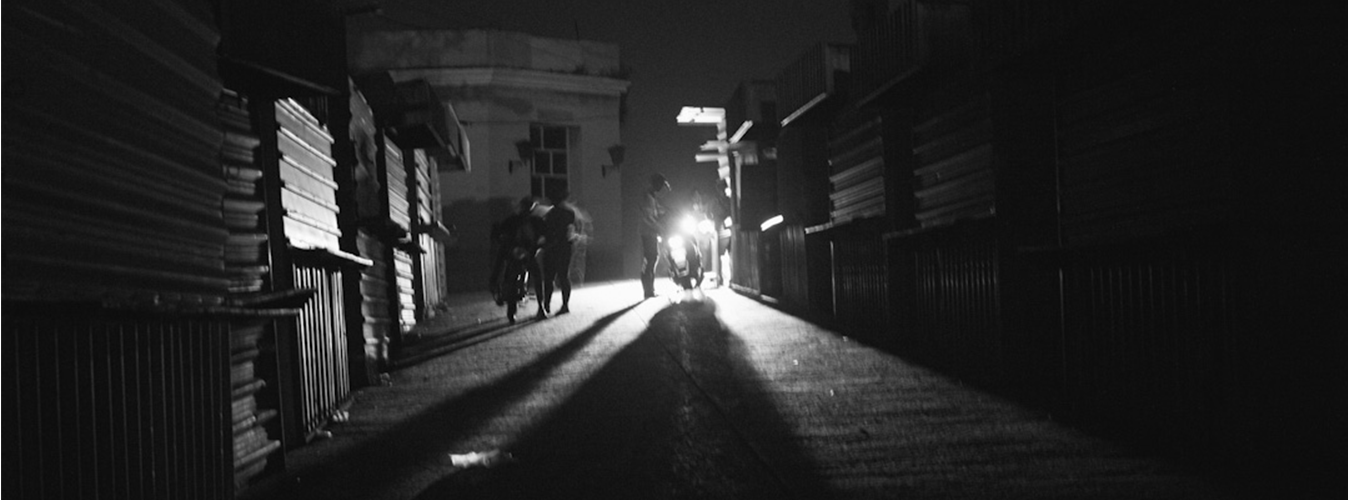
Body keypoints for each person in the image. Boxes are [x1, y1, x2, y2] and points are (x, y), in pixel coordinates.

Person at [490, 196, 547, 323]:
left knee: (535, 278)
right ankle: (514, 311)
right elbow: (498, 234)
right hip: (516, 254)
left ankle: (538, 308)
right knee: (516, 280)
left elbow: (543, 235)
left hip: (527, 253)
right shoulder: (514, 221)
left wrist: (538, 245)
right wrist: (510, 247)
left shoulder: (534, 221)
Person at [540, 188, 578, 315]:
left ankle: (546, 305)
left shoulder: (551, 214)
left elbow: (545, 231)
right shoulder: (570, 213)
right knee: (563, 276)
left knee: (549, 277)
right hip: (565, 247)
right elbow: (572, 231)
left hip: (552, 248)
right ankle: (565, 305)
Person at [640, 173, 671, 298]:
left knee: (652, 258)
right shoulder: (648, 197)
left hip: (650, 232)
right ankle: (648, 290)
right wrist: (659, 227)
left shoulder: (651, 197)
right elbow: (648, 217)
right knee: (651, 258)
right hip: (648, 232)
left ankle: (650, 289)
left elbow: (656, 211)